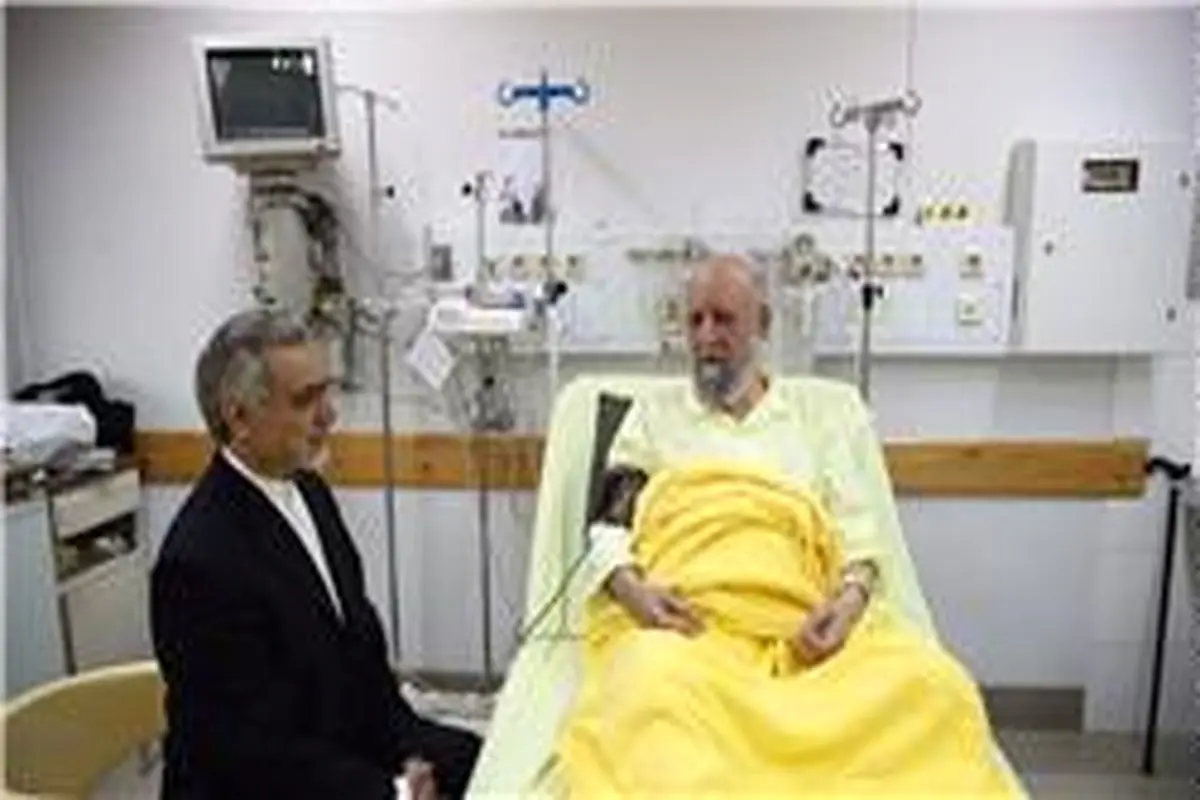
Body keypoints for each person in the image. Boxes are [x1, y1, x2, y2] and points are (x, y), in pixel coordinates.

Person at [554, 254, 1021, 796]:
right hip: (689, 632)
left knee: (934, 685)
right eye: (695, 320)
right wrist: (633, 592)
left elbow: (858, 534)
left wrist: (847, 606)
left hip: (802, 631)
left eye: (723, 319)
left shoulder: (817, 421)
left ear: (763, 324)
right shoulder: (652, 418)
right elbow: (609, 525)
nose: (705, 336)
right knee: (646, 687)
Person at [150, 309, 480, 800]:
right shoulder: (199, 565)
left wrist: (427, 754)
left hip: (336, 754)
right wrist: (391, 792)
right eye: (306, 400)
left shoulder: (309, 491)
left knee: (496, 765)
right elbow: (249, 755)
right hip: (263, 788)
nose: (329, 415)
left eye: (328, 392)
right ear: (238, 418)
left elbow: (361, 664)